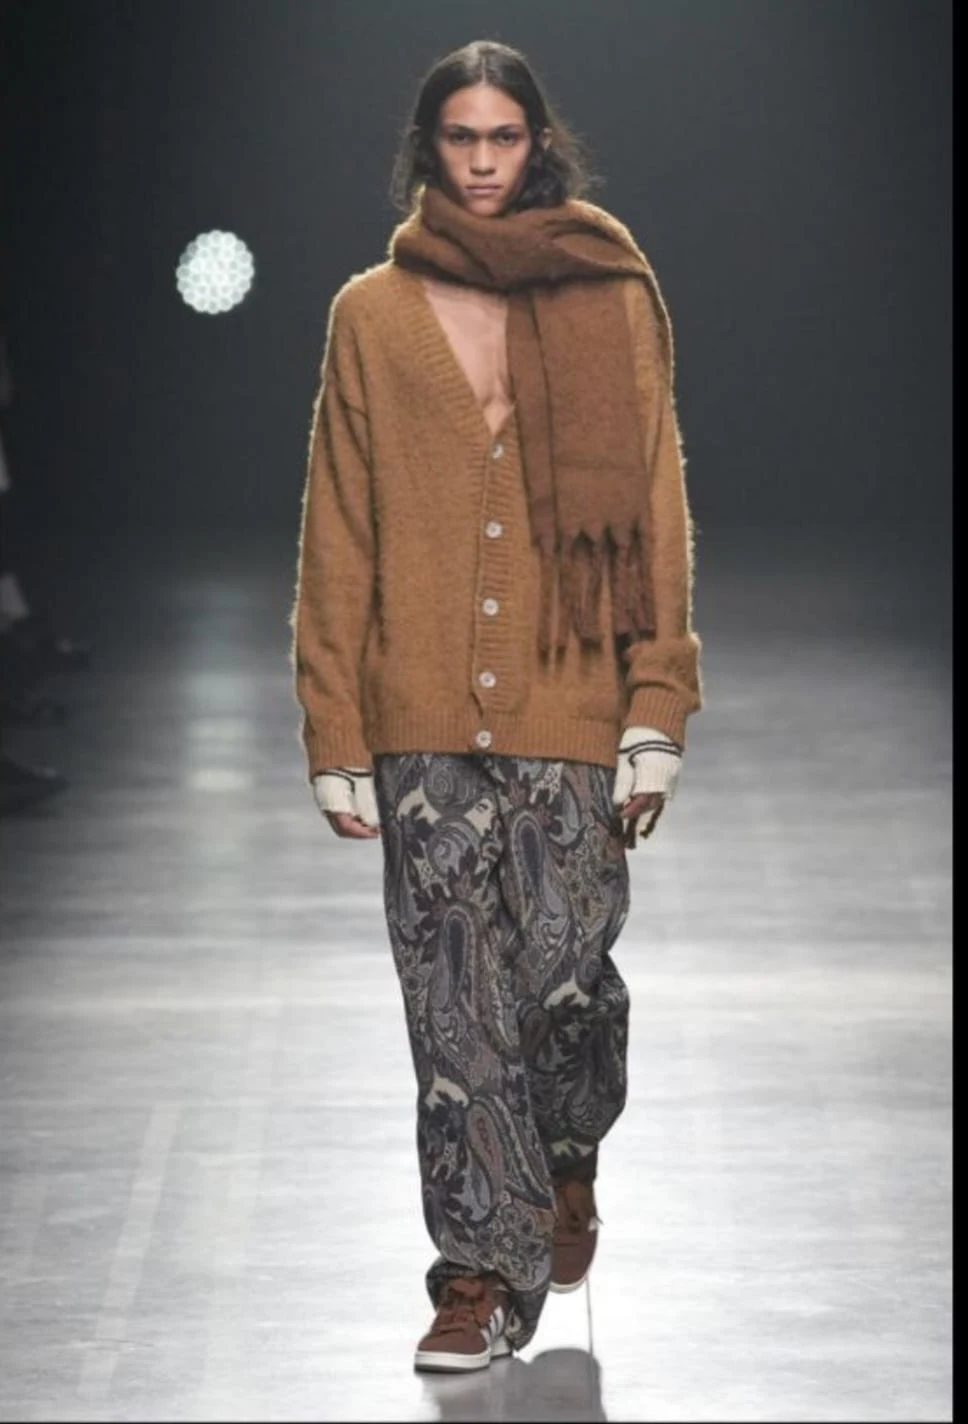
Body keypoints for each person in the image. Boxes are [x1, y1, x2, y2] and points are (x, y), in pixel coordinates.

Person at [290, 39, 702, 1373]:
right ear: (429, 147)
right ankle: (478, 1273)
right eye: (459, 138)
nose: (480, 161)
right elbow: (338, 526)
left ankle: (567, 1149)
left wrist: (657, 702)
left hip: (572, 691)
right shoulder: (371, 314)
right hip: (418, 709)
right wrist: (334, 726)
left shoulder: (608, 291)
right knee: (454, 1004)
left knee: (565, 983)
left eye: (502, 137)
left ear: (538, 143)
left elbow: (655, 501)